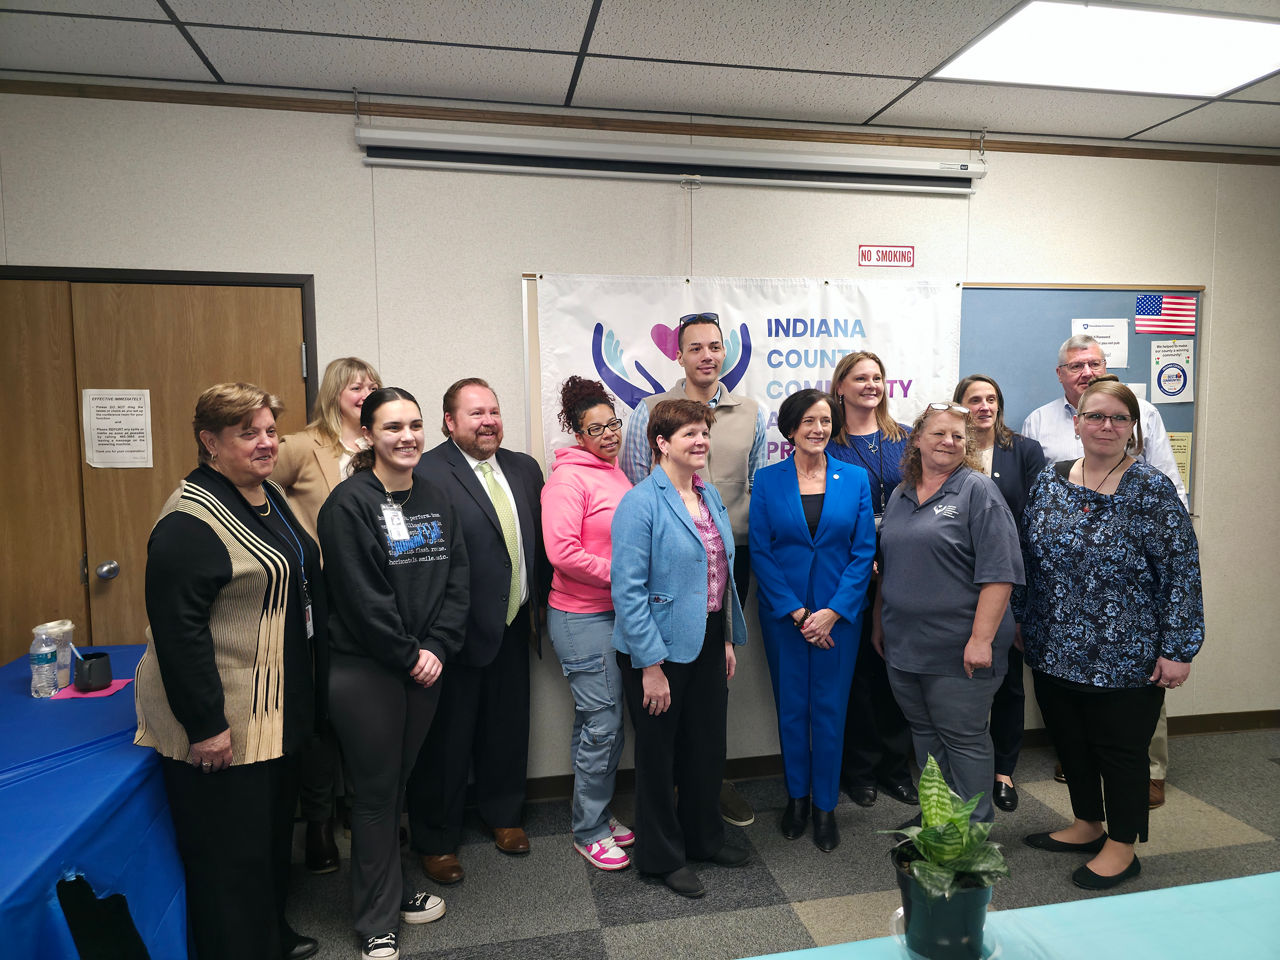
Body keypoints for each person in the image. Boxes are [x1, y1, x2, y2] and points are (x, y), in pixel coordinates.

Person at [135, 382, 321, 960]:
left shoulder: (265, 494)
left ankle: (268, 935)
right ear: (209, 442)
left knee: (266, 840)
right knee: (228, 853)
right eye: (249, 434)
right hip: (225, 716)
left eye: (271, 431)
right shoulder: (189, 522)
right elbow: (178, 633)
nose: (266, 444)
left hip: (272, 706)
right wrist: (205, 725)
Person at [1019, 375, 1203, 890]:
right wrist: (1018, 617)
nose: (1106, 425)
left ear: (1133, 429)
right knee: (1072, 743)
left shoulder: (1152, 488)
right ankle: (1086, 823)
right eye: (1095, 416)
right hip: (1054, 644)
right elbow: (1028, 558)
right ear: (1075, 423)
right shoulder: (1050, 480)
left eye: (1118, 418)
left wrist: (1179, 648)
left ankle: (1123, 844)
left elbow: (1181, 571)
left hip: (1128, 654)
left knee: (1119, 751)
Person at [318, 387, 469, 960]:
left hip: (425, 667)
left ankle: (391, 890)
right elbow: (361, 597)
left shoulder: (436, 495)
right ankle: (375, 921)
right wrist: (409, 653)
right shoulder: (348, 504)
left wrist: (436, 647)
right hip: (367, 671)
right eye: (392, 427)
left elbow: (458, 578)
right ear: (367, 436)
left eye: (415, 425)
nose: (407, 436)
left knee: (395, 787)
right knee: (376, 795)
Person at [618, 311, 766, 827]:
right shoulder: (649, 414)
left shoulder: (750, 413)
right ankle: (669, 811)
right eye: (695, 347)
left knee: (709, 703)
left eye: (715, 346)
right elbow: (639, 477)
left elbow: (752, 482)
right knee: (665, 704)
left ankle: (705, 797)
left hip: (723, 563)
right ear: (678, 355)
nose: (707, 355)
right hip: (667, 570)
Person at [407, 378, 550, 885]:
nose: (488, 421)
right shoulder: (425, 472)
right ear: (449, 422)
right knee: (446, 741)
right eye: (475, 414)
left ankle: (504, 814)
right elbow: (416, 563)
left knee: (508, 726)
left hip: (514, 622)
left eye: (493, 410)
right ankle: (437, 839)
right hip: (452, 634)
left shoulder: (523, 468)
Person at [611, 398, 749, 898]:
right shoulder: (640, 502)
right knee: (659, 756)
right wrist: (650, 666)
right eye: (689, 433)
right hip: (657, 648)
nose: (700, 441)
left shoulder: (709, 495)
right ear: (661, 443)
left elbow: (720, 572)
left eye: (704, 432)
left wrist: (727, 638)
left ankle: (704, 839)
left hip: (709, 639)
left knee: (706, 749)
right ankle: (662, 857)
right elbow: (627, 590)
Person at [873, 402, 1023, 825]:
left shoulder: (977, 491)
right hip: (905, 644)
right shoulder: (902, 493)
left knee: (963, 738)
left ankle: (972, 834)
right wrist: (878, 621)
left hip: (960, 646)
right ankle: (940, 821)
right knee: (924, 734)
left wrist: (980, 640)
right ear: (916, 439)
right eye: (938, 433)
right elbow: (890, 565)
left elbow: (1000, 574)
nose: (949, 442)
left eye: (959, 436)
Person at [749, 389, 875, 851]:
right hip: (786, 617)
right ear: (790, 429)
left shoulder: (855, 478)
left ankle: (825, 807)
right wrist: (800, 613)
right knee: (792, 710)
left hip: (839, 618)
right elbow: (761, 552)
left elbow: (864, 552)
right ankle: (796, 798)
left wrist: (833, 611)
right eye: (808, 421)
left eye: (825, 420)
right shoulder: (767, 481)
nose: (819, 429)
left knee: (829, 711)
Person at [274, 355, 381, 873]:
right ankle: (318, 822)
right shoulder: (300, 445)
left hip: (375, 596)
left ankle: (368, 813)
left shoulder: (384, 442)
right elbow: (255, 496)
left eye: (373, 386)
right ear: (335, 392)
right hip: (318, 598)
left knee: (369, 708)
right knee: (321, 713)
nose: (366, 393)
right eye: (356, 387)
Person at [541, 376, 635, 870]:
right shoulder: (567, 479)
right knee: (603, 723)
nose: (607, 434)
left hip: (614, 615)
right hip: (581, 617)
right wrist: (623, 577)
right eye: (594, 429)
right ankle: (590, 830)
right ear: (577, 435)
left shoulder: (615, 473)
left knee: (596, 720)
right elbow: (563, 552)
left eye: (612, 424)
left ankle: (591, 811)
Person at [825, 351, 918, 809]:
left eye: (878, 377)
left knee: (895, 670)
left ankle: (895, 767)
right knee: (859, 672)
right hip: (849, 569)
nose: (871, 385)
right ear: (839, 386)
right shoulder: (829, 444)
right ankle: (859, 769)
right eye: (860, 377)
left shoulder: (904, 439)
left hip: (903, 568)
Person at [953, 374, 1047, 813]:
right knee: (961, 677)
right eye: (975, 400)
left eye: (992, 399)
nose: (985, 406)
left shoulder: (1023, 450)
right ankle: (962, 767)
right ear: (960, 407)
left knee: (1007, 678)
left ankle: (1003, 770)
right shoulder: (951, 449)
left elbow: (1037, 518)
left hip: (1008, 578)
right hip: (956, 580)